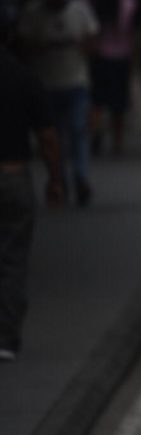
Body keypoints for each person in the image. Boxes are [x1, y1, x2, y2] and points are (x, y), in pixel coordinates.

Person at [0, 46, 64, 361]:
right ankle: (6, 338)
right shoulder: (24, 78)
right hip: (13, 176)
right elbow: (47, 135)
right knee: (12, 259)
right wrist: (55, 178)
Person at [17, 0, 99, 206]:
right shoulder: (33, 12)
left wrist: (79, 46)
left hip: (76, 81)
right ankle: (59, 179)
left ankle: (81, 178)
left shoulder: (80, 10)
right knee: (54, 136)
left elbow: (93, 41)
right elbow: (22, 46)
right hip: (45, 84)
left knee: (77, 132)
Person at [88, 0, 136, 155]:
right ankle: (117, 141)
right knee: (118, 105)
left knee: (97, 101)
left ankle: (95, 132)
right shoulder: (128, 3)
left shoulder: (92, 1)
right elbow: (133, 31)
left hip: (99, 57)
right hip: (121, 57)